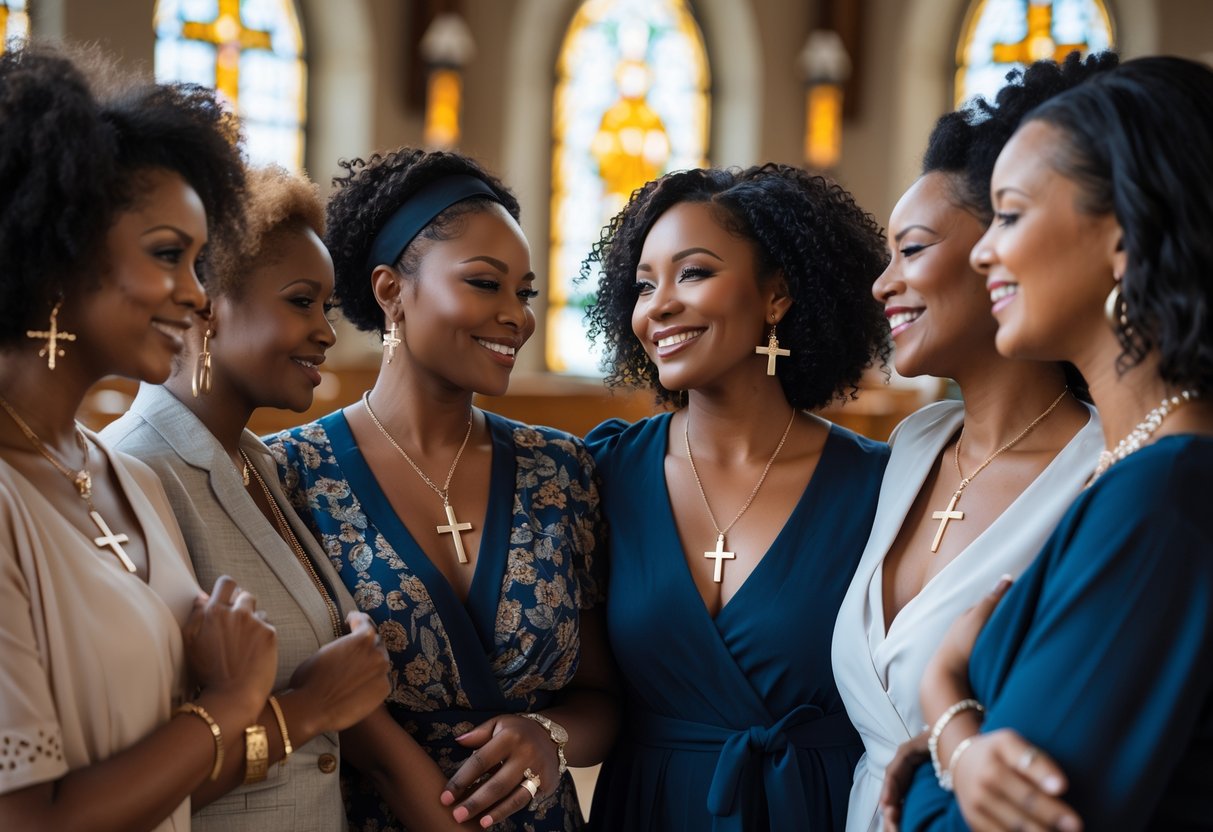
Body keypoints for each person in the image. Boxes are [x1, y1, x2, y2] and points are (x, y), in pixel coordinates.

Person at [901, 55, 1213, 832]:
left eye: (1006, 215)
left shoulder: (1164, 496)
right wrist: (956, 745)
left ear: (1124, 236)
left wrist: (942, 697)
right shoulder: (1131, 466)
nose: (981, 252)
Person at [266, 148, 618, 831]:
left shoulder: (562, 470)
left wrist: (550, 735)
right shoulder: (291, 474)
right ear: (391, 290)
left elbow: (602, 696)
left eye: (525, 293)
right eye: (485, 284)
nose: (516, 315)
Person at [830, 53, 1113, 832]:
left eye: (912, 250)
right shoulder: (913, 445)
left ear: (1001, 251)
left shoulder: (1099, 472)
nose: (883, 283)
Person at [0, 45, 277, 831]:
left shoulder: (130, 479)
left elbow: (168, 774)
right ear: (58, 250)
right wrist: (229, 704)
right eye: (168, 256)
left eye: (199, 260)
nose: (197, 295)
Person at [582, 163, 891, 831]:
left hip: (817, 807)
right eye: (642, 285)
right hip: (648, 807)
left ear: (775, 294)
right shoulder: (602, 473)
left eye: (692, 273)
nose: (658, 304)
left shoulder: (879, 486)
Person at [101, 164, 391, 831]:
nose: (326, 331)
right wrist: (308, 709)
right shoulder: (137, 471)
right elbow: (133, 781)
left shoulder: (259, 461)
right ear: (207, 303)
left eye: (328, 307)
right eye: (300, 301)